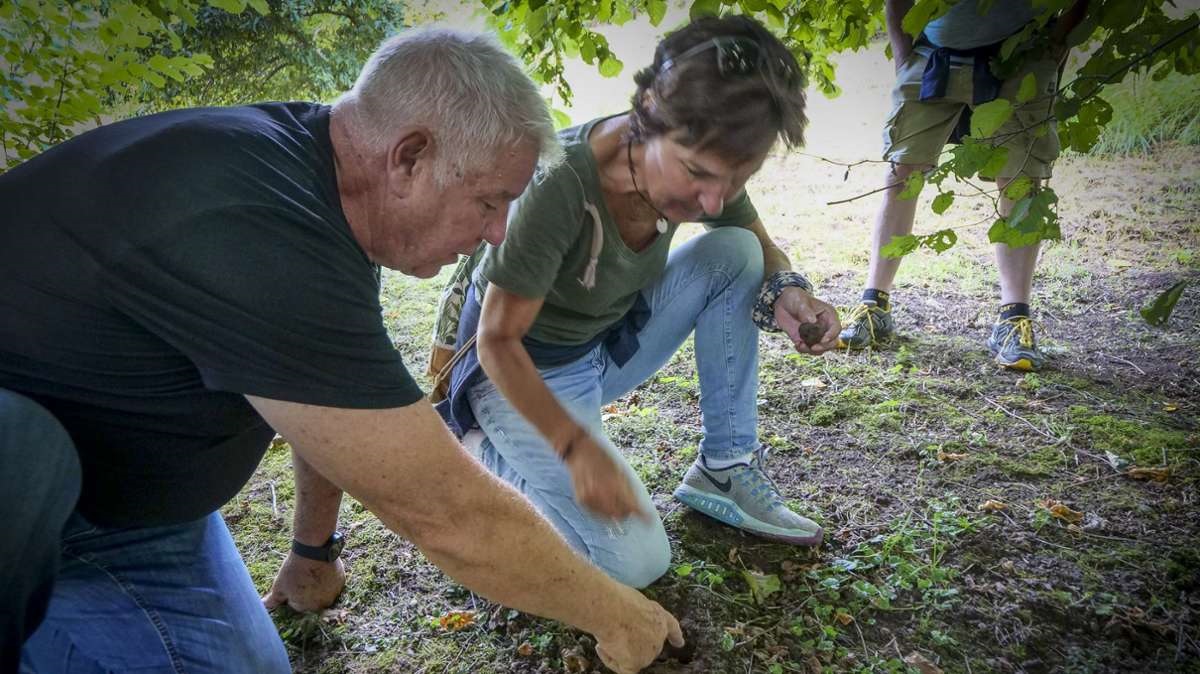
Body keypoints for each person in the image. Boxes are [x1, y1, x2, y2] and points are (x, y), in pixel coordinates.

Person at [0, 28, 682, 674]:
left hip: (134, 494)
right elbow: (446, 513)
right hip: (39, 498)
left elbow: (327, 396)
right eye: (489, 201)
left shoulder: (321, 175)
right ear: (409, 157)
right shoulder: (256, 234)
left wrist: (312, 548)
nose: (499, 233)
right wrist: (616, 614)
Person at [429, 15, 841, 590]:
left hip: (604, 347)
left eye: (734, 178)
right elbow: (498, 341)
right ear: (648, 112)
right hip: (517, 375)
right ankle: (481, 457)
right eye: (697, 173)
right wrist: (573, 448)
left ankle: (724, 470)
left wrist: (788, 290)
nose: (712, 199)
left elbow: (762, 247)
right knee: (637, 564)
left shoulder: (706, 165)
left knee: (738, 251)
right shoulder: (560, 185)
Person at [837, 0, 1088, 371]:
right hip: (932, 54)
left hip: (1022, 56)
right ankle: (874, 305)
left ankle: (1014, 319)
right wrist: (904, 55)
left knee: (1020, 184)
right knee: (901, 176)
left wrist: (1056, 44)